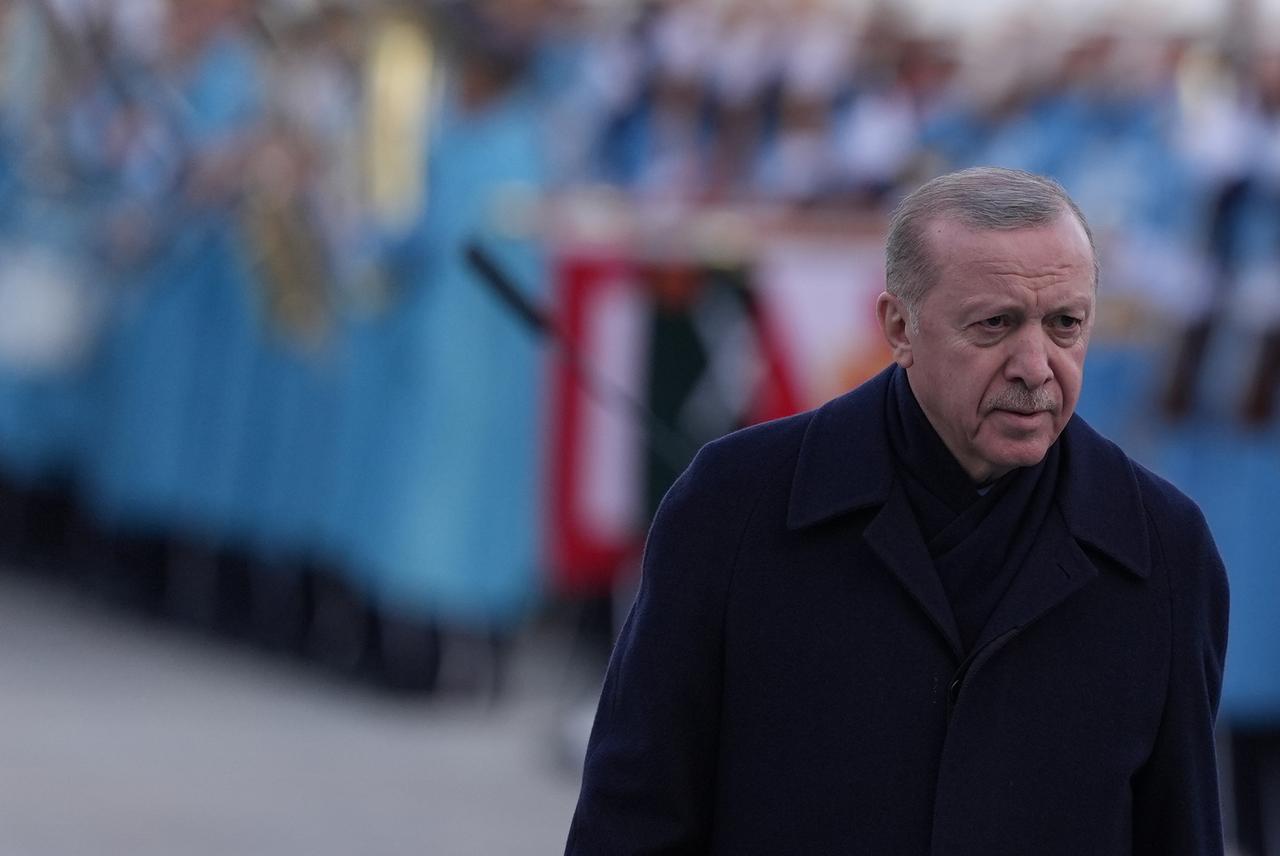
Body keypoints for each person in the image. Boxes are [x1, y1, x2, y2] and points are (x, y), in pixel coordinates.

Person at [566, 167, 1230, 855]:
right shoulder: (734, 508)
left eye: (1065, 324)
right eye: (995, 324)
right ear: (899, 326)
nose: (1035, 366)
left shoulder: (1160, 551)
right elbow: (632, 819)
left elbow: (1181, 830)